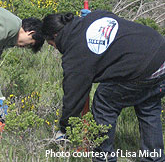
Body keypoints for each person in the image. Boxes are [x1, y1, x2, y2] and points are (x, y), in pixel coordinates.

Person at [41, 10, 165, 162]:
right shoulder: (94, 16)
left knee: (104, 102)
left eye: (51, 44)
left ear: (55, 36)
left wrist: (66, 127)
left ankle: (103, 158)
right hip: (160, 52)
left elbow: (73, 98)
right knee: (148, 108)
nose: (54, 48)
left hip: (142, 68)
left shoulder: (74, 55)